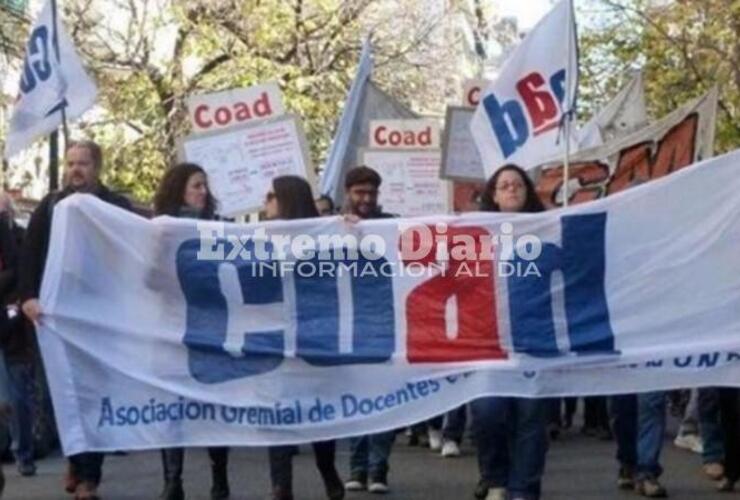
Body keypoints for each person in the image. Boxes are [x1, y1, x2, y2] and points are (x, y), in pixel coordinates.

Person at [19, 139, 134, 500]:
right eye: (70, 163)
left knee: (93, 395)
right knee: (63, 394)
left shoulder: (115, 206)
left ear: (97, 166)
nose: (75, 170)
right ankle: (74, 453)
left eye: (82, 163)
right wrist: (28, 298)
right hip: (57, 317)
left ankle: (89, 477)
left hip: (100, 317)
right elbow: (29, 256)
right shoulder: (50, 206)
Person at [152, 163, 231, 500]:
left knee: (215, 402)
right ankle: (173, 480)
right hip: (171, 329)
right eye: (196, 185)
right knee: (171, 405)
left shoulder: (218, 230)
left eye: (204, 186)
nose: (203, 192)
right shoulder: (160, 232)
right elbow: (148, 277)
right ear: (178, 190)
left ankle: (220, 476)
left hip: (211, 327)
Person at [263, 175, 344, 500]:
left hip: (313, 339)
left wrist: (351, 226)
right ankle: (280, 485)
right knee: (277, 411)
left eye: (270, 195)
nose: (265, 201)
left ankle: (327, 470)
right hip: (274, 340)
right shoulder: (258, 237)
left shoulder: (321, 239)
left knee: (317, 412)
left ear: (287, 199)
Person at [472, 164, 549, 500]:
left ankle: (524, 488)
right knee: (488, 412)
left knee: (531, 417)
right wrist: (357, 230)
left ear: (527, 191)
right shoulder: (474, 234)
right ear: (493, 194)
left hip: (535, 339)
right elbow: (416, 247)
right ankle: (495, 478)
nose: (512, 190)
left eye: (518, 184)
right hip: (488, 340)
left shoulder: (549, 229)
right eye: (504, 185)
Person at [341, 166, 396, 495]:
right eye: (360, 193)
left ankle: (379, 469)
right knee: (355, 398)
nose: (366, 199)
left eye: (372, 193)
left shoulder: (391, 223)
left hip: (383, 323)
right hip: (348, 324)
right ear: (348, 192)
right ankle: (356, 467)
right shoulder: (331, 226)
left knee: (383, 399)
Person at [0, 193, 36, 477]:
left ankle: (23, 451)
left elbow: (22, 275)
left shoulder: (21, 239)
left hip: (13, 325)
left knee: (17, 393)